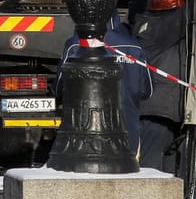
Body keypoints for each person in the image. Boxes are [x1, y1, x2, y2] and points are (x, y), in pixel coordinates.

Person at [58, 13, 151, 155]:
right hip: (127, 130)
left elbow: (60, 87)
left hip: (85, 133)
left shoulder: (75, 44)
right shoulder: (133, 46)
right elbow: (147, 90)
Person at [131, 0, 187, 172]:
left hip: (165, 111)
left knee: (168, 171)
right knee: (153, 169)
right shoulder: (161, 27)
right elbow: (184, 16)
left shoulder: (147, 26)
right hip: (158, 110)